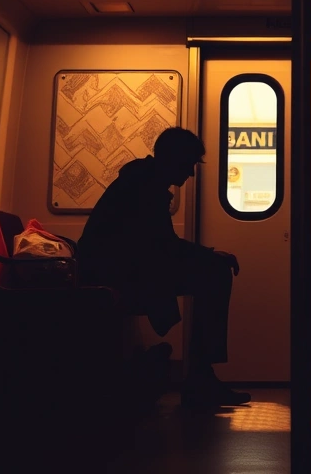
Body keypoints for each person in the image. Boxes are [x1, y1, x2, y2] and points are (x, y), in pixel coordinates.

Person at [76, 127, 250, 409]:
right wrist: (209, 256)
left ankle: (200, 378)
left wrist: (206, 254)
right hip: (113, 272)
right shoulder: (144, 187)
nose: (191, 174)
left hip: (121, 267)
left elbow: (159, 246)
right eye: (189, 164)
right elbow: (161, 247)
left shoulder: (143, 181)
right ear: (173, 158)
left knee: (213, 270)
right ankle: (200, 380)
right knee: (216, 274)